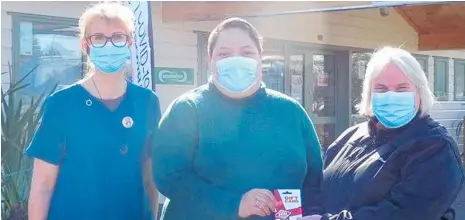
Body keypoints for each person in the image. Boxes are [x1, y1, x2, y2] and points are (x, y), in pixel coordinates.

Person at [152, 17, 324, 220]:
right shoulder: (188, 109)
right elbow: (169, 176)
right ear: (211, 60)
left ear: (260, 59)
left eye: (247, 52)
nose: (236, 60)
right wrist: (234, 205)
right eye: (224, 53)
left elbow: (314, 182)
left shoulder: (291, 112)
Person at [26, 3, 160, 220]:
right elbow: (42, 186)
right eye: (98, 37)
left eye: (117, 37)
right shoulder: (61, 105)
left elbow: (149, 177)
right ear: (85, 45)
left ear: (130, 42)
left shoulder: (147, 102)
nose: (109, 44)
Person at [300, 47, 464, 220]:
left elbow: (405, 213)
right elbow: (317, 188)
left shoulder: (435, 147)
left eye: (402, 89)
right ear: (369, 94)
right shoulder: (350, 136)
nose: (391, 96)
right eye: (381, 88)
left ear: (420, 91)